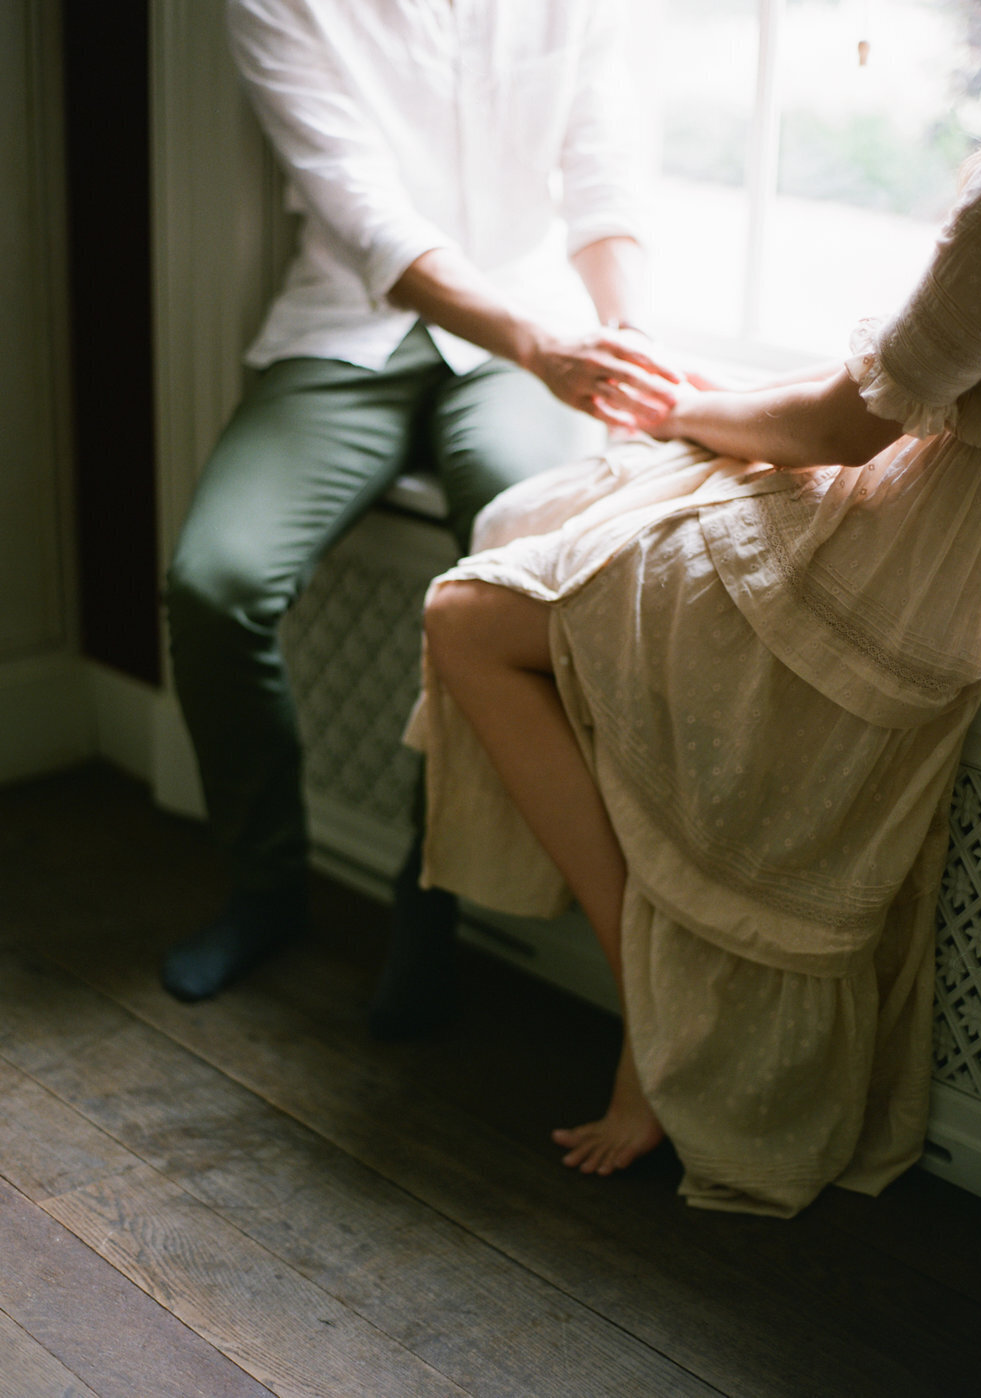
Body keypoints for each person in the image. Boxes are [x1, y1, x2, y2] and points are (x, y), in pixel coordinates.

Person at [408, 63, 981, 1214]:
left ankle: (646, 1001)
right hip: (951, 565)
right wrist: (702, 393)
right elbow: (899, 384)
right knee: (533, 515)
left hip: (881, 569)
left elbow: (844, 428)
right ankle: (643, 963)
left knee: (464, 615)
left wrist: (674, 405)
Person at [160, 0, 680, 1012]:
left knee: (508, 575)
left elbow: (605, 178)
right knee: (212, 584)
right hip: (349, 330)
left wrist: (625, 348)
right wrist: (541, 344)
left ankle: (428, 894)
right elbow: (364, 215)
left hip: (528, 353)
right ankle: (265, 890)